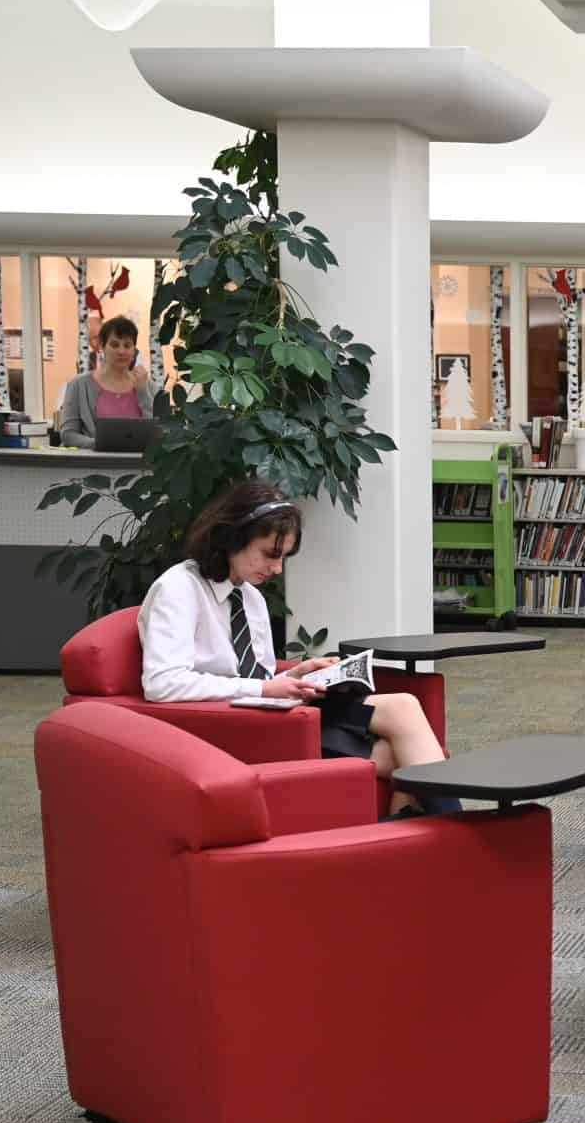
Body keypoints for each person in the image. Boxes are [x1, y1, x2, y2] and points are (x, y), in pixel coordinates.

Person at [137, 478, 456, 814]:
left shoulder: (250, 597)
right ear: (232, 537)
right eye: (270, 554)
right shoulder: (178, 590)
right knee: (407, 754)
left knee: (404, 707)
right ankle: (453, 836)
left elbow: (254, 672)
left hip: (271, 712)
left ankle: (416, 831)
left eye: (283, 557)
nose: (276, 568)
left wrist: (298, 673)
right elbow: (162, 683)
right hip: (231, 726)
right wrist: (265, 687)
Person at [56, 315, 154, 448]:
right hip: (93, 466)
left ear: (134, 350)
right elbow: (68, 434)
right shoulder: (78, 385)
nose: (121, 351)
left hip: (138, 466)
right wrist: (101, 444)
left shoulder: (147, 386)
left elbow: (155, 435)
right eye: (114, 345)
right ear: (102, 346)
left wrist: (143, 392)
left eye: (127, 345)